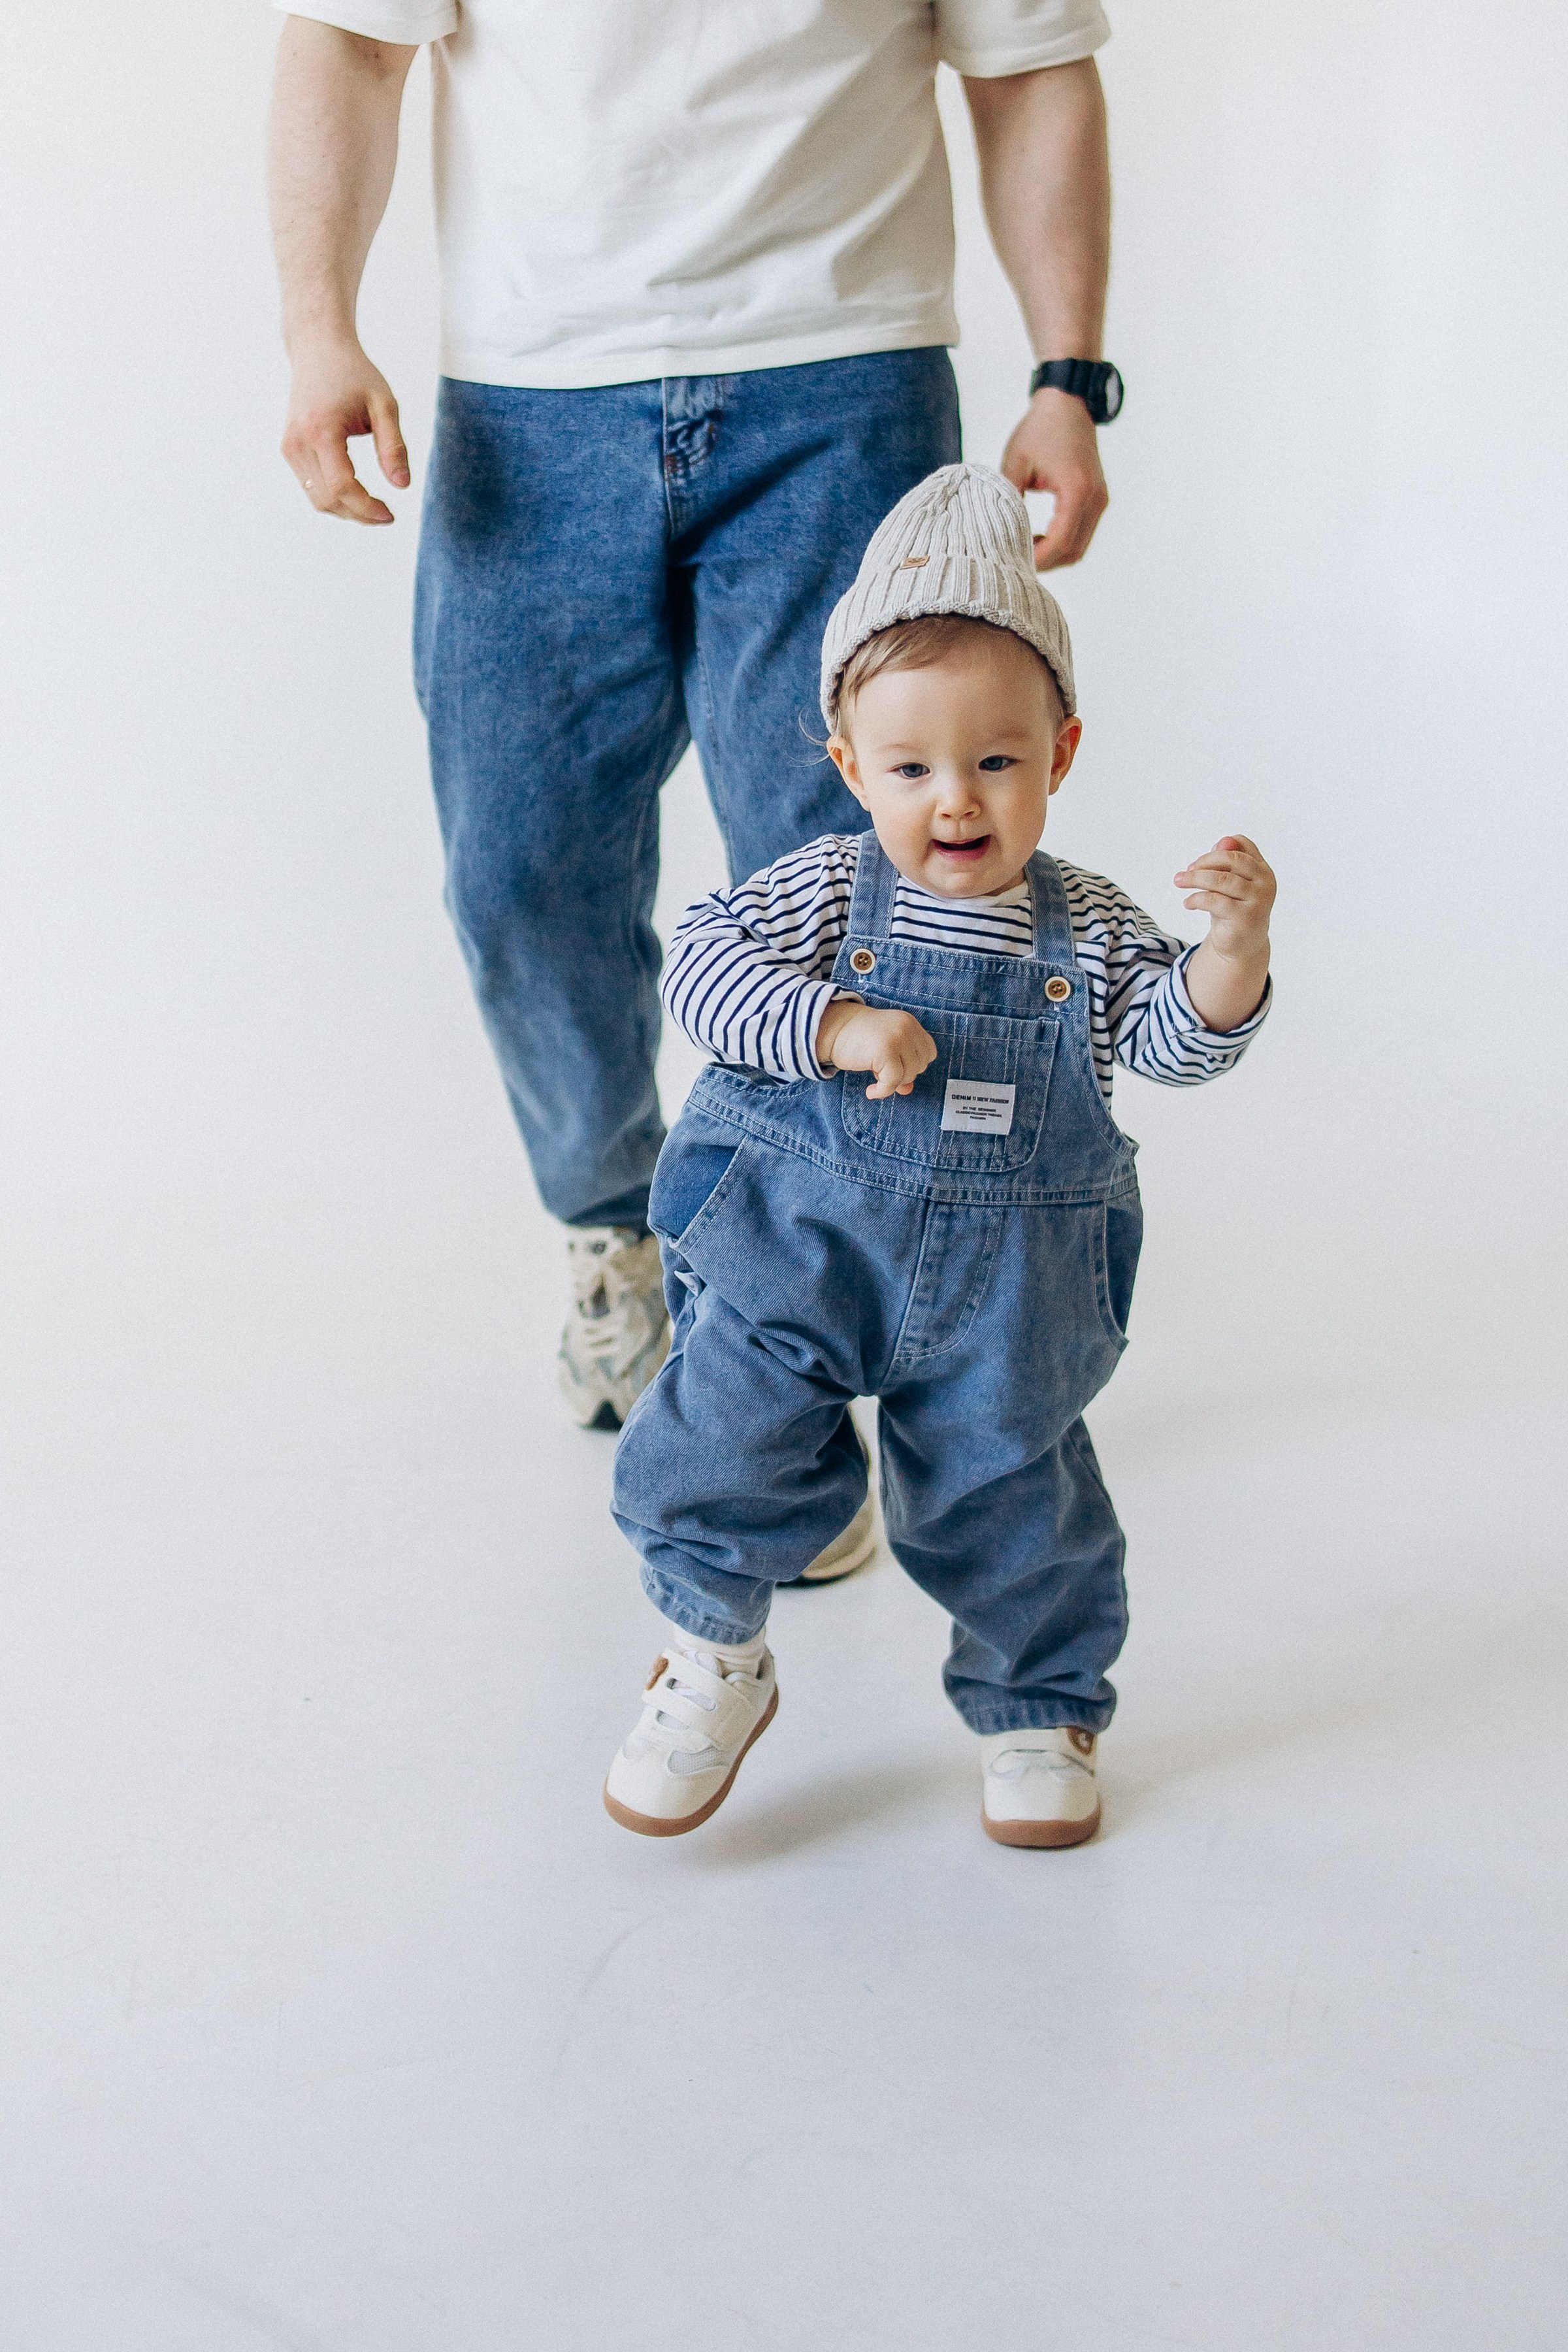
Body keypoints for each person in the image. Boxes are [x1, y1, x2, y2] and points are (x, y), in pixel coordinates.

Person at [267, 2, 1126, 1520]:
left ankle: (790, 1340)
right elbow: (347, 41)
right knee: (520, 876)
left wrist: (1068, 369)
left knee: (858, 904)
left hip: (843, 379)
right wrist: (318, 327)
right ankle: (617, 1226)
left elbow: (1029, 62)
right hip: (531, 398)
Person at [605, 464, 1275, 1845]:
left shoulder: (1085, 928)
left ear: (1061, 756)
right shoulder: (813, 891)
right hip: (796, 1251)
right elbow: (701, 970)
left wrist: (1229, 957)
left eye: (995, 761)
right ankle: (712, 1649)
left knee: (1013, 1487)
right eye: (910, 768)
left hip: (1008, 1293)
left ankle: (1038, 1702)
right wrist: (831, 1021)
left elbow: (1169, 1042)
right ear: (851, 767)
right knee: (717, 1434)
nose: (954, 800)